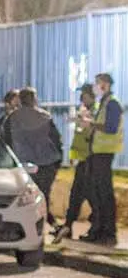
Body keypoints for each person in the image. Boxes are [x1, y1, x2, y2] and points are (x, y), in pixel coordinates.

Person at [3, 86, 63, 226]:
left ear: (20, 100)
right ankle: (47, 224)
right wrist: (58, 161)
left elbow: (6, 142)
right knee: (44, 195)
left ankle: (29, 225)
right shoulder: (45, 117)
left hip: (23, 165)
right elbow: (56, 141)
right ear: (34, 99)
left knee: (24, 198)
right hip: (47, 164)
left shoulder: (11, 118)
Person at [54, 84, 97, 243]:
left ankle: (97, 226)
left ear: (90, 95)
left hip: (91, 160)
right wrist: (73, 156)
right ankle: (68, 226)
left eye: (84, 95)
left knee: (90, 196)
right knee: (76, 195)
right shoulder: (84, 111)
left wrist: (85, 121)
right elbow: (79, 137)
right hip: (82, 161)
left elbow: (93, 133)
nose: (82, 99)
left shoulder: (96, 111)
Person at [82, 72, 123, 245]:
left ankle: (108, 233)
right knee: (97, 193)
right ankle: (98, 231)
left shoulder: (112, 103)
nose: (95, 86)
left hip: (104, 154)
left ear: (105, 84)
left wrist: (91, 124)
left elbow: (111, 128)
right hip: (97, 153)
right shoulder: (104, 103)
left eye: (97, 82)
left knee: (104, 194)